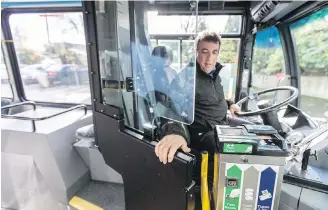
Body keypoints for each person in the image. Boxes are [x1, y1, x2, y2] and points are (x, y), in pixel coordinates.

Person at [155, 31, 254, 164]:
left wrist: (230, 104)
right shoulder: (186, 78)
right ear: (196, 52)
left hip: (223, 121)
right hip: (206, 131)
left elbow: (211, 97)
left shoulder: (214, 73)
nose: (209, 59)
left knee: (256, 130)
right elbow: (172, 108)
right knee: (247, 149)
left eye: (214, 52)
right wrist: (176, 133)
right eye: (204, 52)